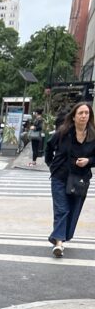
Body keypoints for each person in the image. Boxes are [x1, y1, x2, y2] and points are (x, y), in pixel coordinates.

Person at [44, 101, 95, 258]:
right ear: (73, 117)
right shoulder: (63, 132)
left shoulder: (93, 135)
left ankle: (61, 236)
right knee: (62, 210)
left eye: (86, 113)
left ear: (90, 116)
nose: (83, 116)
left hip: (80, 179)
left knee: (73, 211)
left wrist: (89, 161)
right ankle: (59, 243)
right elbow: (49, 147)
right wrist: (51, 165)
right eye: (80, 113)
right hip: (60, 176)